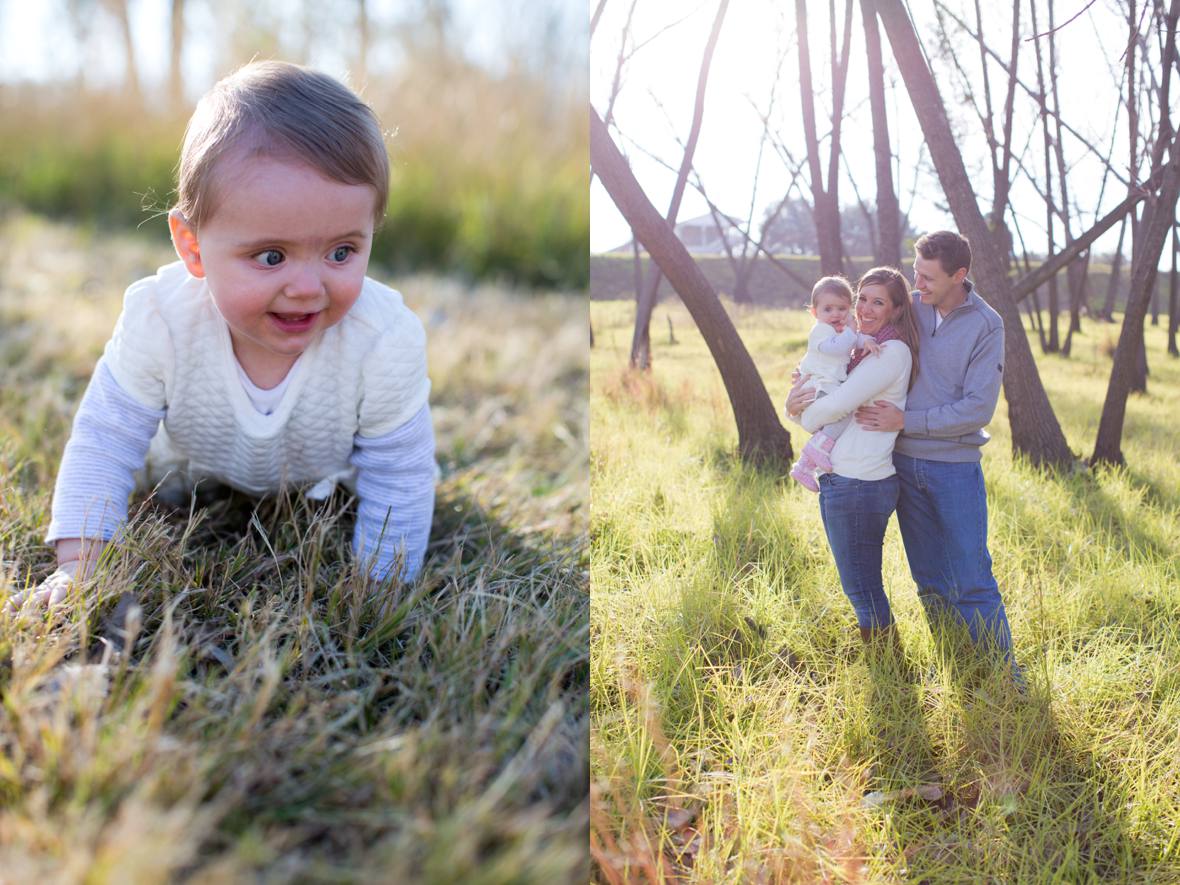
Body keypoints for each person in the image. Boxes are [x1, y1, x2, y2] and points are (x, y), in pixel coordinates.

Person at [9, 61, 435, 610]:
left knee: (390, 477)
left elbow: (400, 472)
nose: (308, 287)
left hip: (323, 477)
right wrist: (80, 571)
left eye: (342, 251)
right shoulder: (160, 319)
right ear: (192, 248)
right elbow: (105, 439)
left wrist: (379, 591)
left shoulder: (383, 338)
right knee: (137, 472)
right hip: (191, 465)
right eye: (271, 256)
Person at [852, 231, 1020, 676]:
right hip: (902, 465)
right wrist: (815, 371)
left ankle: (1005, 677)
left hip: (955, 468)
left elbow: (977, 408)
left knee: (972, 578)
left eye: (927, 277)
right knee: (928, 580)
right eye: (914, 272)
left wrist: (908, 421)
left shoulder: (987, 325)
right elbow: (861, 335)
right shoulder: (910, 305)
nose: (917, 283)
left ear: (959, 275)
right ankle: (956, 663)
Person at [787, 267, 920, 642]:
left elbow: (835, 407)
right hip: (848, 480)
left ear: (896, 310)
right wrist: (799, 405)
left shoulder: (889, 352)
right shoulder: (858, 351)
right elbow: (826, 397)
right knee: (859, 586)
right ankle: (886, 668)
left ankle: (888, 671)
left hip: (858, 483)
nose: (865, 308)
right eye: (862, 298)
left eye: (878, 302)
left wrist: (793, 411)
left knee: (862, 590)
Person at [789, 276, 881, 492]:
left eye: (841, 308)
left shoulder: (841, 331)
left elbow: (850, 341)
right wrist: (851, 331)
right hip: (818, 386)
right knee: (844, 413)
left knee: (837, 418)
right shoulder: (820, 331)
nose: (836, 314)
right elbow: (836, 348)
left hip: (829, 385)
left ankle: (804, 466)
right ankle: (815, 451)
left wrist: (864, 340)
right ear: (815, 312)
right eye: (828, 309)